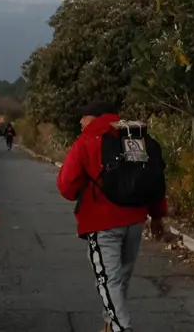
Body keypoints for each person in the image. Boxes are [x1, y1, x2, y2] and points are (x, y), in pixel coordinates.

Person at [57, 101, 169, 332]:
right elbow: (151, 179)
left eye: (83, 116)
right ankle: (110, 325)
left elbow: (66, 186)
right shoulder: (133, 136)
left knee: (109, 280)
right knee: (120, 279)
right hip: (135, 219)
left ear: (93, 117)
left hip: (102, 222)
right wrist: (157, 216)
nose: (80, 122)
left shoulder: (87, 140)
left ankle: (121, 327)